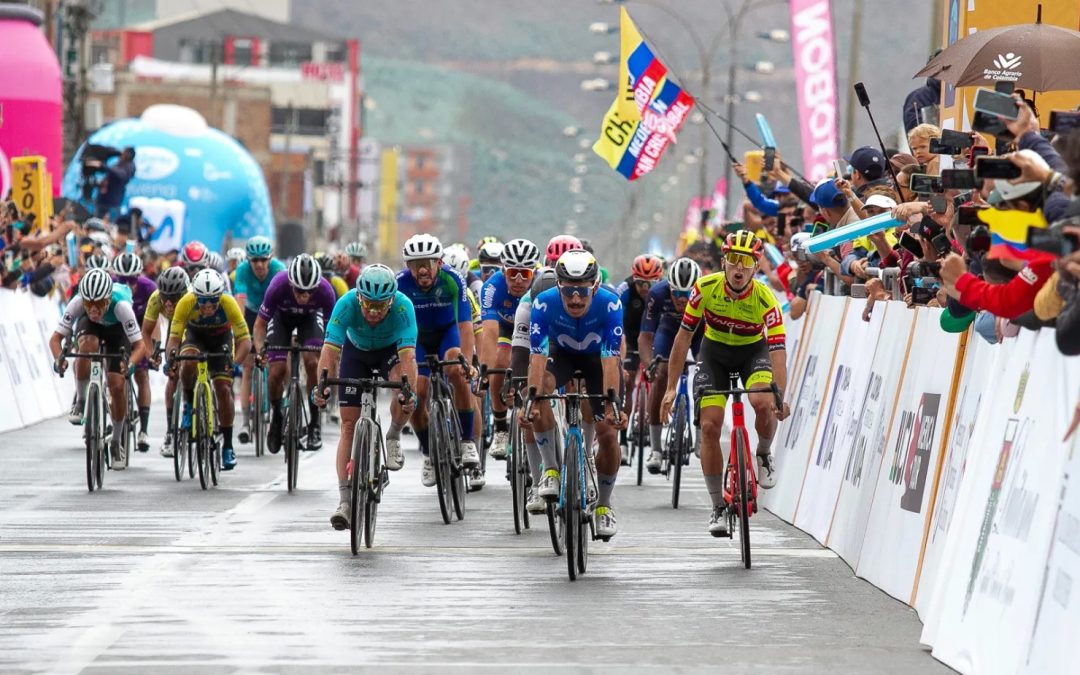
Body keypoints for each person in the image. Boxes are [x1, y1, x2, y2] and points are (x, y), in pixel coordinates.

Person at [660, 231, 790, 537]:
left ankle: (763, 452)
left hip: (752, 354)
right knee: (709, 426)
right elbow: (683, 338)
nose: (739, 267)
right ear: (724, 261)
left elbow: (778, 351)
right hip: (714, 355)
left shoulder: (766, 299)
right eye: (734, 259)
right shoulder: (705, 288)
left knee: (763, 403)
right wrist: (669, 387)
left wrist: (779, 393)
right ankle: (718, 505)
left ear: (757, 267)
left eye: (747, 261)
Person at [521, 249, 626, 539]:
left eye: (582, 291)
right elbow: (538, 357)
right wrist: (530, 400)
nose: (576, 299)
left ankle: (604, 506)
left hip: (597, 361)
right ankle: (551, 470)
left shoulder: (610, 304)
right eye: (568, 291)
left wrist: (611, 403)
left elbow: (610, 359)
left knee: (606, 430)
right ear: (559, 287)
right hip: (561, 356)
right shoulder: (543, 304)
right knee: (538, 393)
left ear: (594, 286)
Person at [314, 264, 419, 531]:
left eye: (380, 306)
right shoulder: (346, 304)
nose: (373, 312)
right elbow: (329, 351)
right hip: (355, 353)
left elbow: (408, 358)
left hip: (390, 352)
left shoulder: (404, 308)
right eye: (368, 304)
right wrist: (322, 385)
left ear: (391, 301)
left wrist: (409, 394)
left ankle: (393, 434)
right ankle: (345, 501)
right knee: (348, 426)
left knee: (403, 392)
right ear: (359, 297)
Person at [397, 233, 480, 486]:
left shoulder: (453, 280)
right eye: (416, 264)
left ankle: (466, 441)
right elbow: (394, 330)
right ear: (408, 267)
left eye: (428, 263)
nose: (423, 269)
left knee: (456, 369)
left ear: (439, 263)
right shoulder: (400, 284)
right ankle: (428, 451)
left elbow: (465, 326)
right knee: (416, 391)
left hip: (448, 333)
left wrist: (467, 363)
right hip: (417, 338)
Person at [49, 268, 149, 465]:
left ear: (108, 299)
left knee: (117, 384)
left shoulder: (121, 306)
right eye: (89, 304)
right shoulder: (78, 302)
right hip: (91, 329)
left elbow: (140, 346)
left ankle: (117, 440)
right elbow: (55, 339)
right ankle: (81, 399)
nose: (94, 310)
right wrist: (58, 359)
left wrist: (129, 364)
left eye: (99, 304)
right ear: (83, 299)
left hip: (116, 329)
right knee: (86, 345)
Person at [165, 269, 251, 471]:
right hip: (195, 336)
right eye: (203, 301)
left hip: (221, 339)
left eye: (213, 300)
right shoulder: (186, 302)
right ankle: (188, 404)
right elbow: (174, 339)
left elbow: (244, 341)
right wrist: (171, 358)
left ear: (220, 296)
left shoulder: (228, 303)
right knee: (188, 363)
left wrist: (235, 362)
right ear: (195, 296)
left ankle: (228, 446)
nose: (208, 306)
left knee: (222, 388)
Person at [253, 253, 337, 454]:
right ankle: (277, 415)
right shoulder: (278, 285)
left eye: (309, 291)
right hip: (281, 319)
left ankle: (315, 424)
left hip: (310, 320)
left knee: (311, 361)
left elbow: (332, 333)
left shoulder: (326, 291)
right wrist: (260, 351)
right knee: (276, 371)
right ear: (291, 284)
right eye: (299, 290)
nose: (304, 296)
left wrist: (329, 360)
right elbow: (260, 325)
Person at [479, 238, 541, 462]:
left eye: (524, 274)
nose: (517, 280)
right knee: (499, 361)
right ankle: (501, 427)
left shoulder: (543, 284)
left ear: (534, 272)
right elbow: (489, 332)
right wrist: (485, 370)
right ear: (503, 270)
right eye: (512, 272)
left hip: (534, 330)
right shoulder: (491, 287)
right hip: (505, 329)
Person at [639, 257, 703, 472]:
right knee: (660, 374)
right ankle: (656, 449)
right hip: (668, 331)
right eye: (676, 293)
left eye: (688, 294)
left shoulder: (707, 292)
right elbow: (646, 336)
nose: (682, 300)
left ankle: (700, 436)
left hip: (698, 333)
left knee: (706, 376)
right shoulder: (657, 293)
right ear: (669, 288)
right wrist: (649, 365)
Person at [233, 236, 287, 444]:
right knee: (247, 368)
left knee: (278, 360)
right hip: (250, 313)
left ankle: (279, 403)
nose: (259, 265)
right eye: (254, 261)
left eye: (263, 260)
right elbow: (240, 302)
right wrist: (240, 332)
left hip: (273, 314)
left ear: (270, 259)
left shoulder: (279, 269)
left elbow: (283, 304)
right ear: (248, 261)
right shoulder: (242, 271)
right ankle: (246, 421)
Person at [141, 266, 190, 457]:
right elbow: (145, 332)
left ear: (184, 294)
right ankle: (170, 431)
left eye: (174, 298)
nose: (168, 303)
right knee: (172, 374)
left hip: (190, 324)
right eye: (165, 297)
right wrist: (152, 353)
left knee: (188, 362)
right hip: (173, 326)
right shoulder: (155, 299)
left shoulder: (190, 299)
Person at [112, 251, 157, 453]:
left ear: (139, 277)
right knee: (113, 374)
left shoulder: (149, 288)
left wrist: (152, 349)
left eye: (132, 281)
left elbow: (154, 323)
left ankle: (144, 430)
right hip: (117, 328)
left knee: (141, 374)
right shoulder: (111, 285)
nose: (128, 285)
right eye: (123, 280)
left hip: (141, 327)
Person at [92, 147, 136, 221]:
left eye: (123, 153)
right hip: (103, 199)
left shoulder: (129, 167)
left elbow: (120, 175)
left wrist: (103, 166)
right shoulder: (119, 164)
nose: (120, 155)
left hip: (113, 202)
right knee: (97, 220)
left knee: (112, 222)